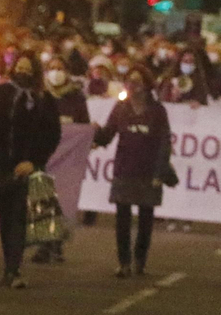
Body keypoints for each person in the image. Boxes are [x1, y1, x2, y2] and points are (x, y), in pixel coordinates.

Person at [0, 51, 60, 290]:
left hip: (27, 166)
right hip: (2, 164)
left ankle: (13, 269)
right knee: (6, 218)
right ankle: (10, 265)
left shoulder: (44, 100)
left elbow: (52, 136)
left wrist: (34, 162)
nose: (23, 72)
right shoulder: (1, 93)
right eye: (20, 67)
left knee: (18, 216)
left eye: (28, 68)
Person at [93, 65, 171, 278]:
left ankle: (140, 260)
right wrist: (94, 132)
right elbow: (107, 136)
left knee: (146, 219)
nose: (132, 85)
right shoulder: (121, 108)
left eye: (137, 81)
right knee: (122, 219)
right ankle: (124, 262)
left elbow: (164, 143)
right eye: (129, 81)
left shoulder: (157, 111)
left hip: (148, 172)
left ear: (146, 85)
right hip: (124, 169)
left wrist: (159, 172)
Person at [34, 58, 91, 264]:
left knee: (61, 202)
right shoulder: (40, 95)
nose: (55, 72)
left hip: (67, 160)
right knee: (41, 200)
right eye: (51, 69)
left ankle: (56, 244)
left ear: (67, 72)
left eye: (59, 68)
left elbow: (82, 126)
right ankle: (42, 244)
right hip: (43, 155)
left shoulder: (76, 98)